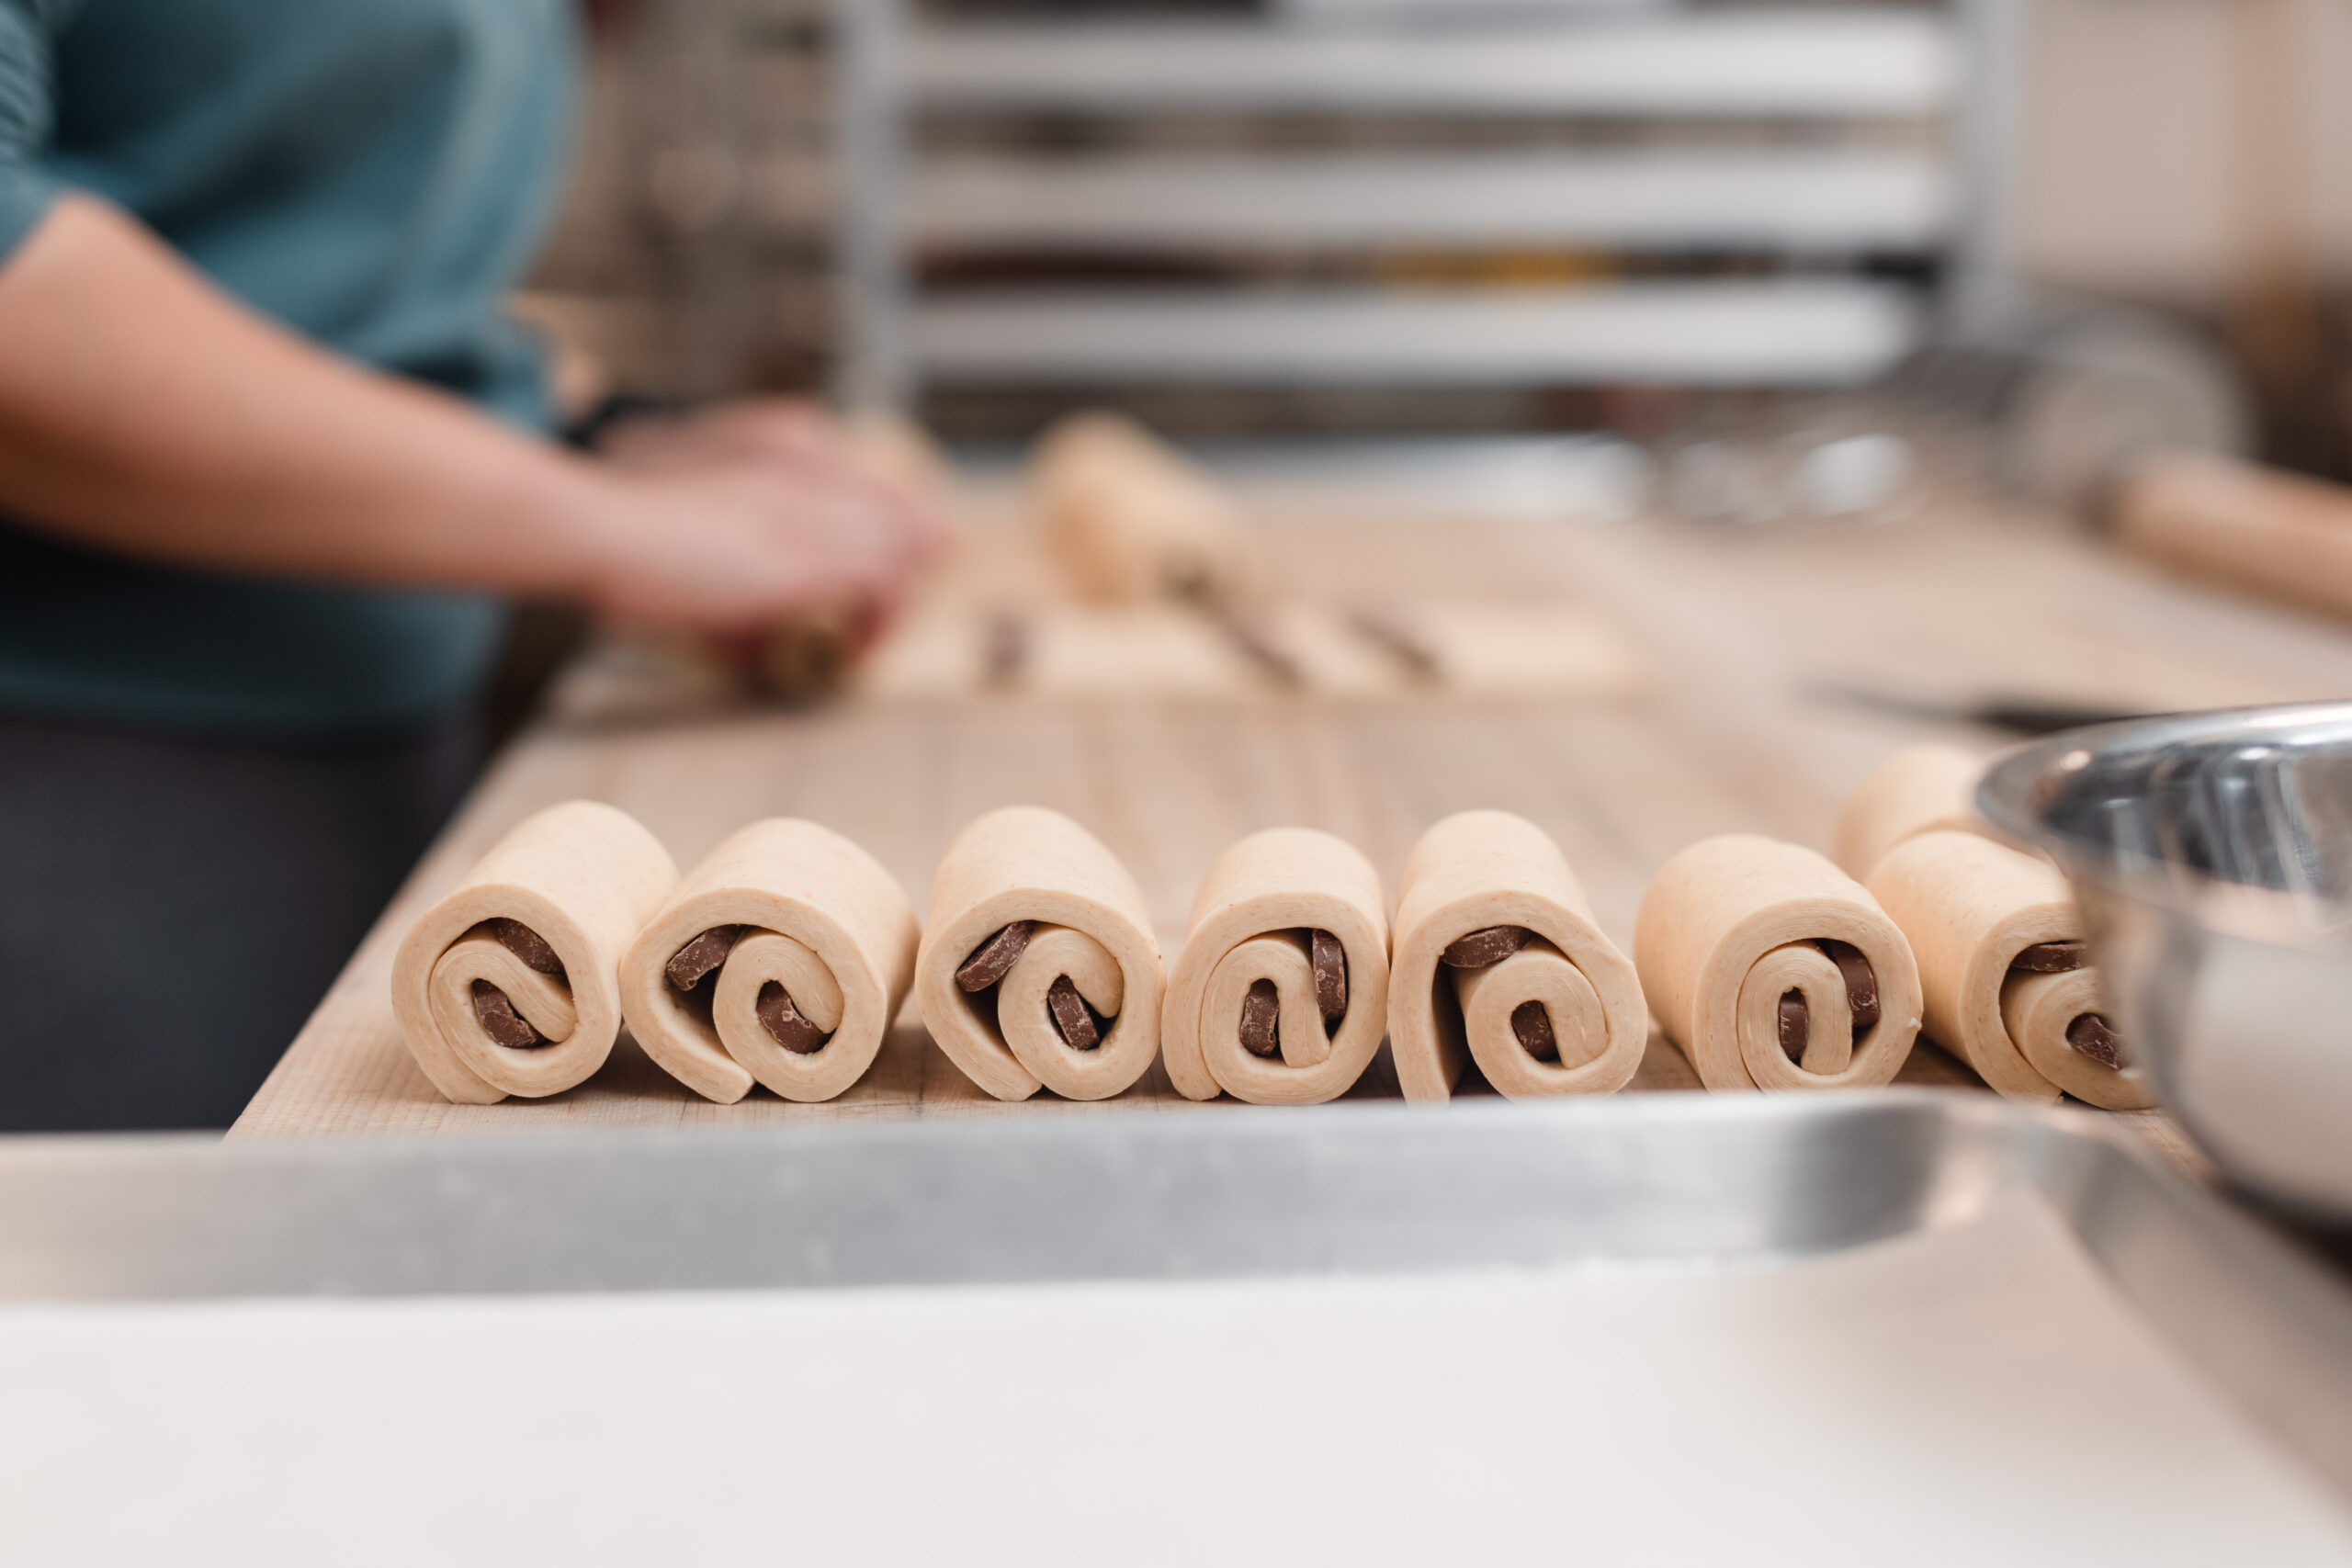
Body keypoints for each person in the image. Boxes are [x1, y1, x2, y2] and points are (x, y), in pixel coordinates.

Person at [0, 0, 952, 1132]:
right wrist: (600, 529)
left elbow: (334, 278)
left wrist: (611, 440)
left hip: (376, 773)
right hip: (78, 806)